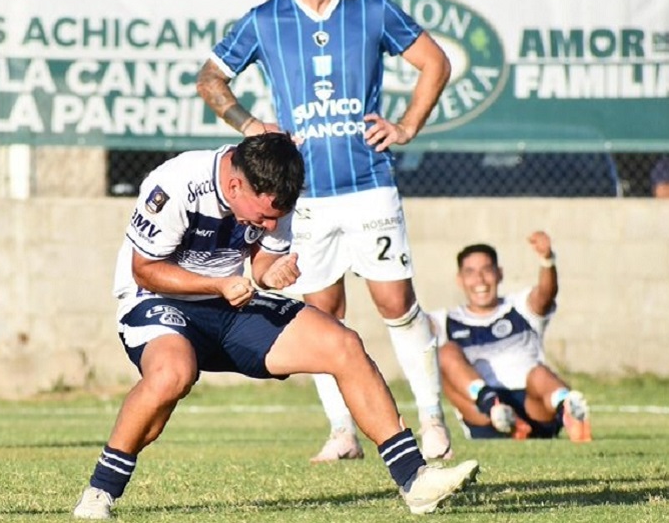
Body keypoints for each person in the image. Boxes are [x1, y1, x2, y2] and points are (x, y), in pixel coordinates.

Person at [72, 133, 479, 519]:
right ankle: (100, 490)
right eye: (264, 215)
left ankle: (415, 479)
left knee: (343, 345)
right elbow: (145, 271)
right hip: (158, 300)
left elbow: (263, 260)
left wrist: (272, 273)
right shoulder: (174, 184)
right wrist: (217, 284)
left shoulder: (274, 191)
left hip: (231, 300)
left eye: (277, 217)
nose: (270, 224)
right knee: (172, 376)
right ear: (234, 187)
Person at [196, 0, 453, 463]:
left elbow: (435, 62)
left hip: (368, 185)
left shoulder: (374, 11)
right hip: (304, 197)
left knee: (395, 301)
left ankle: (432, 418)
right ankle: (343, 432)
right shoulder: (266, 20)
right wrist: (248, 125)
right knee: (322, 310)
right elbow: (210, 78)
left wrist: (406, 126)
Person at [429, 231, 592, 442]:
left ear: (500, 273)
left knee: (539, 373)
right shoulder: (445, 320)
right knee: (445, 354)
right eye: (470, 272)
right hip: (483, 413)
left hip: (534, 408)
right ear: (460, 280)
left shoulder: (519, 307)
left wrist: (547, 260)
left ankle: (567, 408)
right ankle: (493, 406)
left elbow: (545, 295)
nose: (480, 280)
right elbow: (408, 319)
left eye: (487, 270)